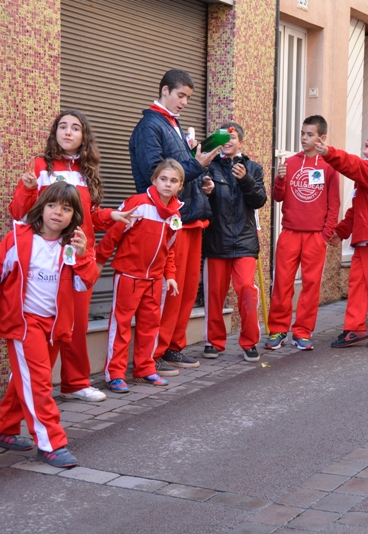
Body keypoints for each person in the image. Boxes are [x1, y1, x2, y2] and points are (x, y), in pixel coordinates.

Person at [9, 110, 135, 402]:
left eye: (75, 128)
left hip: (78, 259)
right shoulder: (40, 166)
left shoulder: (87, 173)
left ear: (83, 136)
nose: (68, 132)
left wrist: (112, 215)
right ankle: (27, 383)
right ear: (55, 133)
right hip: (43, 259)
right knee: (39, 320)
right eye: (62, 127)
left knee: (75, 324)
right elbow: (19, 213)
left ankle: (75, 383)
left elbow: (88, 217)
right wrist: (28, 189)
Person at [0, 182, 99, 468]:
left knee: (28, 380)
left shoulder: (74, 245)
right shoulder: (19, 238)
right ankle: (51, 443)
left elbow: (85, 283)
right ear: (41, 208)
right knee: (39, 383)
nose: (58, 212)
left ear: (74, 215)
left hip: (56, 326)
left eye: (67, 208)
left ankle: (2, 429)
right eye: (53, 205)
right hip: (24, 323)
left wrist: (83, 256)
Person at [129, 69, 219, 374]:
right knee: (169, 289)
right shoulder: (150, 126)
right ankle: (154, 353)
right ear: (165, 90)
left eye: (188, 97)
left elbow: (181, 172)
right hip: (166, 219)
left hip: (189, 216)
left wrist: (202, 180)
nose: (184, 102)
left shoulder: (172, 124)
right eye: (181, 95)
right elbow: (157, 172)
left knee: (186, 288)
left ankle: (172, 347)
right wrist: (197, 165)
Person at [96, 160, 184, 393]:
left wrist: (170, 275)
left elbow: (170, 249)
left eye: (173, 181)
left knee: (150, 326)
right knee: (121, 326)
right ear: (154, 180)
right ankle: (114, 374)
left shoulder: (175, 214)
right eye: (163, 179)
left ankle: (145, 369)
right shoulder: (137, 204)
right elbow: (113, 235)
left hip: (155, 280)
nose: (168, 184)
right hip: (128, 275)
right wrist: (98, 262)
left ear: (180, 186)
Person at [319, 128, 368, 348]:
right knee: (358, 286)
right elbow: (356, 210)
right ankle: (354, 329)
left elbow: (352, 164)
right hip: (365, 239)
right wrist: (341, 231)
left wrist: (329, 152)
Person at [265, 116, 340, 351]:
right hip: (289, 233)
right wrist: (279, 179)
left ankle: (303, 332)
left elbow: (334, 204)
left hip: (315, 236)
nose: (304, 138)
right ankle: (277, 329)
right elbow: (278, 197)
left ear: (322, 138)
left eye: (310, 134)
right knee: (282, 284)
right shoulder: (290, 162)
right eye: (302, 134)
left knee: (311, 286)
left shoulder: (329, 166)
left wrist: (325, 235)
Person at [203, 122, 267, 361]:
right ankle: (214, 342)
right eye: (223, 137)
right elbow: (201, 203)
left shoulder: (253, 167)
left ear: (241, 141)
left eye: (232, 137)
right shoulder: (209, 166)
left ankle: (250, 342)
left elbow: (259, 200)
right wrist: (206, 192)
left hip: (244, 242)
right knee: (215, 294)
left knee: (246, 292)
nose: (228, 141)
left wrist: (246, 180)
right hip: (216, 240)